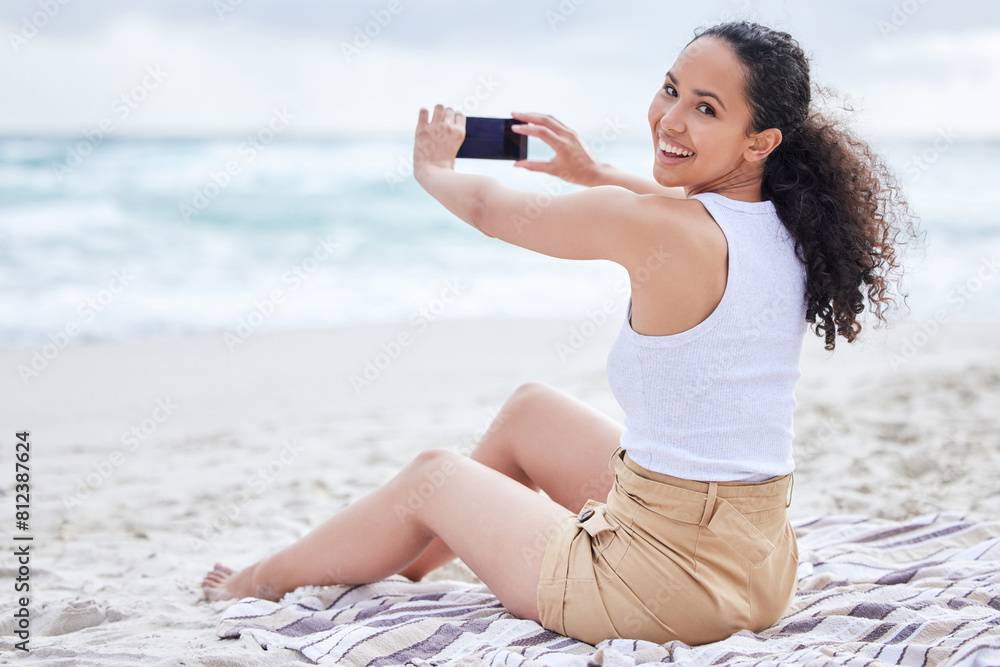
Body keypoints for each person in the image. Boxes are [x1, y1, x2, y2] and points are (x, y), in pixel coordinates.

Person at [202, 20, 917, 646]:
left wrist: (431, 169)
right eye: (670, 89)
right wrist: (591, 171)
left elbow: (487, 206)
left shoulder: (660, 226)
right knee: (531, 411)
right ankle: (418, 554)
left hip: (660, 588)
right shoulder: (788, 226)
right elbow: (677, 213)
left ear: (759, 140)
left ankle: (254, 580)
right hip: (759, 567)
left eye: (706, 108)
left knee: (431, 475)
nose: (671, 118)